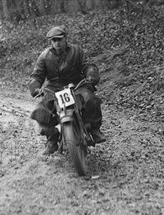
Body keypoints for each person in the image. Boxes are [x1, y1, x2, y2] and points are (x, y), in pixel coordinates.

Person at [29, 25, 106, 155]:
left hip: (77, 85)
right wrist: (36, 87)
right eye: (54, 40)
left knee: (91, 100)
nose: (57, 43)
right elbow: (37, 75)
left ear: (65, 38)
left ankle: (94, 129)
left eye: (59, 39)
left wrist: (91, 74)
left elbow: (87, 65)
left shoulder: (77, 51)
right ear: (50, 42)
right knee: (40, 112)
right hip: (54, 89)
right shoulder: (44, 57)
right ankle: (52, 139)